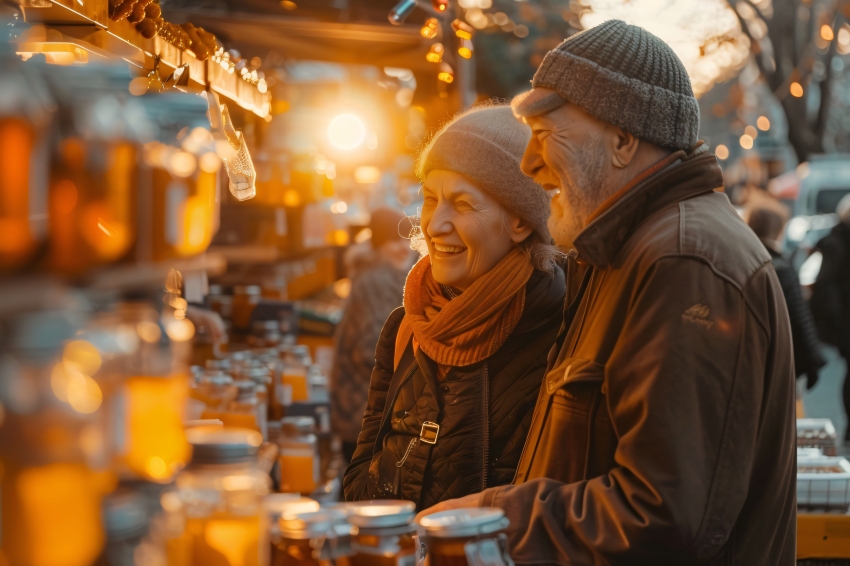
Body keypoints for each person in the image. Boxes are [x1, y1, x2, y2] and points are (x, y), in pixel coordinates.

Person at [418, 21, 796, 565]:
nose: (528, 165)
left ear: (623, 140)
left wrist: (496, 514)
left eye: (547, 136)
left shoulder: (683, 261)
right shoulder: (623, 252)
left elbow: (663, 516)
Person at [343, 105, 566, 510]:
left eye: (462, 204)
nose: (434, 224)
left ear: (520, 221)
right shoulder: (406, 326)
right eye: (430, 199)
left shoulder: (562, 335)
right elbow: (361, 472)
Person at [330, 207, 416, 464]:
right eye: (393, 240)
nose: (402, 248)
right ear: (379, 244)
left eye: (406, 240)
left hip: (365, 410)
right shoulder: (376, 279)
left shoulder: (392, 275)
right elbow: (370, 350)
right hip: (364, 412)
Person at [746, 200, 825, 390]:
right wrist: (813, 360)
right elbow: (799, 316)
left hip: (747, 356)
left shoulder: (741, 261)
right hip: (780, 359)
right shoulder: (780, 267)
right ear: (778, 229)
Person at [811, 193, 850, 437]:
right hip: (845, 322)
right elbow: (826, 286)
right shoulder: (838, 244)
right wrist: (838, 320)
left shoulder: (837, 241)